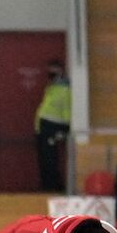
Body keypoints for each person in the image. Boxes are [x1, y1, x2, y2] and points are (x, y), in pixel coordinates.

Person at [33, 60, 70, 192]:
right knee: (43, 158)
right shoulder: (51, 86)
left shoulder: (65, 88)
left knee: (50, 158)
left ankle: (53, 186)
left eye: (54, 70)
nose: (51, 73)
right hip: (43, 126)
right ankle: (46, 185)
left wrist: (65, 128)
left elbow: (67, 109)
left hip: (54, 126)